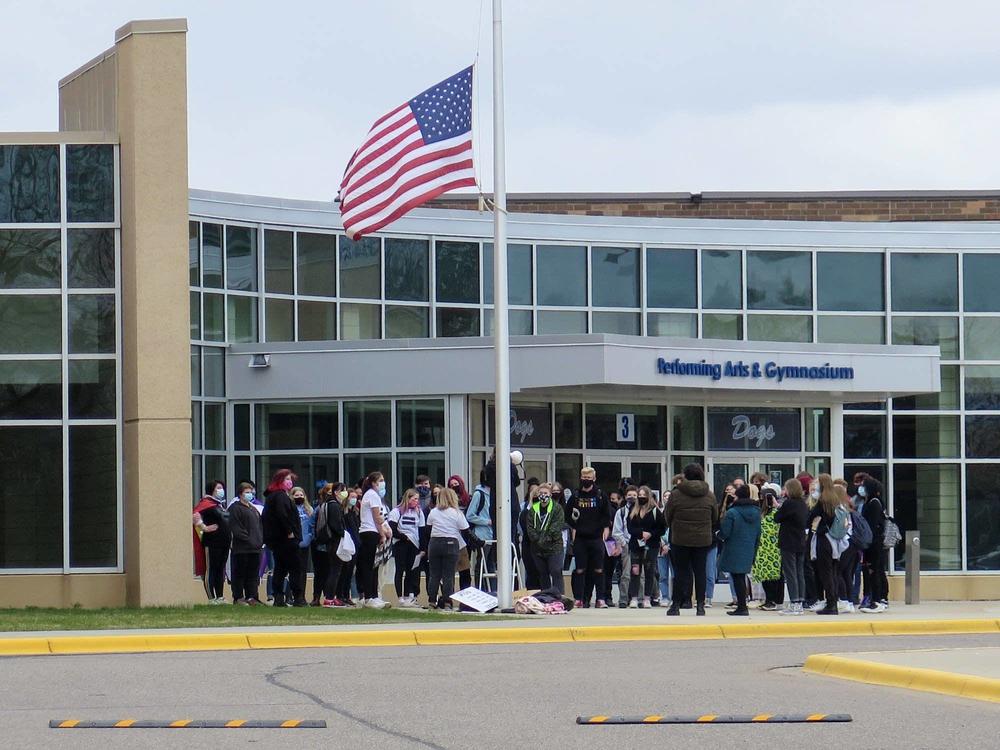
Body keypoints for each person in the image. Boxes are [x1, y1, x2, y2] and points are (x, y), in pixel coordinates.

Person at [664, 463, 718, 617]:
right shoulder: (709, 494)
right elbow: (714, 517)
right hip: (702, 540)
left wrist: (675, 526)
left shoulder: (676, 494)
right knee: (700, 571)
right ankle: (700, 606)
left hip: (680, 538)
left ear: (685, 476)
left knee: (680, 572)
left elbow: (668, 516)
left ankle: (675, 605)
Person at [567, 467, 610, 608]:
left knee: (599, 570)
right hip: (580, 538)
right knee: (580, 570)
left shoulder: (600, 495)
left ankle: (600, 599)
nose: (586, 480)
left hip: (597, 538)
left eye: (588, 477)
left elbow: (606, 516)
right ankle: (579, 599)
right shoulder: (575, 496)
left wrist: (604, 532)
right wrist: (574, 526)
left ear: (594, 478)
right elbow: (568, 516)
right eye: (584, 477)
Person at [262, 469, 304, 607]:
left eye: (290, 479)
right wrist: (289, 531)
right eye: (286, 479)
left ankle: (279, 597)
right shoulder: (280, 496)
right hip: (286, 539)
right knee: (294, 568)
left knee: (280, 568)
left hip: (278, 540)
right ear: (280, 481)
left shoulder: (273, 496)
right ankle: (298, 598)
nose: (290, 482)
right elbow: (282, 514)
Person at [718, 484, 762, 617]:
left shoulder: (733, 512)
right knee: (741, 577)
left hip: (733, 548)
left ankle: (742, 606)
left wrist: (717, 535)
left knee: (737, 578)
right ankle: (743, 605)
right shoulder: (756, 512)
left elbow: (725, 532)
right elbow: (759, 532)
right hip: (749, 547)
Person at [426, 487, 470, 610]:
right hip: (451, 542)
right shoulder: (456, 513)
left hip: (434, 542)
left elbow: (428, 528)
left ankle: (432, 601)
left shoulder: (433, 512)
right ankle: (447, 601)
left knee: (434, 574)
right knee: (448, 575)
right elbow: (465, 530)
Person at [626, 485, 666, 608]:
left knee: (649, 571)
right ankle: (634, 598)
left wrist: (651, 534)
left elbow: (662, 528)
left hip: (651, 545)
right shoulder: (633, 509)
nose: (642, 498)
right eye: (640, 495)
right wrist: (640, 533)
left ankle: (648, 598)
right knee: (635, 571)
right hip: (636, 545)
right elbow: (629, 527)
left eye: (644, 495)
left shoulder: (655, 510)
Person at [192, 480, 231, 604]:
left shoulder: (219, 505)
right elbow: (195, 514)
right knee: (211, 569)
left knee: (220, 569)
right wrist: (204, 527)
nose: (221, 490)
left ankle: (220, 596)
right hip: (212, 542)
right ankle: (211, 598)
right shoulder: (206, 503)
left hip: (224, 542)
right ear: (212, 490)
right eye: (218, 488)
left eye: (222, 488)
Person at [808, 474, 842, 616]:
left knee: (825, 573)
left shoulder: (822, 501)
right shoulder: (835, 500)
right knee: (832, 572)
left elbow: (810, 517)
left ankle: (831, 604)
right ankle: (833, 601)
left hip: (823, 539)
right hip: (834, 540)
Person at [357, 471, 392, 609]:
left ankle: (374, 596)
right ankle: (369, 597)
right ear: (373, 482)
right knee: (369, 566)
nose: (383, 482)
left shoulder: (372, 495)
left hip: (371, 532)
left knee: (374, 566)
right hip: (370, 532)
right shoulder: (372, 495)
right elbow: (377, 517)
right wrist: (382, 534)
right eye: (381, 480)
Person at [775, 478, 809, 615]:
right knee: (799, 572)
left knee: (790, 572)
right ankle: (800, 601)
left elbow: (777, 518)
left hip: (788, 541)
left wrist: (778, 506)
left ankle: (794, 602)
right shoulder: (803, 503)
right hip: (800, 541)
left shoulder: (789, 503)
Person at [387, 488, 425, 607]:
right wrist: (404, 537)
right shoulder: (397, 511)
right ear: (408, 498)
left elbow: (422, 530)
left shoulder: (419, 512)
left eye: (417, 499)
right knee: (400, 569)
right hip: (401, 543)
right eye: (414, 499)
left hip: (414, 544)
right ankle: (400, 597)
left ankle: (409, 594)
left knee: (411, 570)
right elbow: (392, 529)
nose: (416, 502)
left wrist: (422, 548)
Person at [525, 483, 566, 594]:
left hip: (554, 548)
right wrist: (537, 540)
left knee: (556, 571)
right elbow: (530, 528)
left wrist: (543, 539)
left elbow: (556, 528)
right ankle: (546, 597)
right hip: (537, 549)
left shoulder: (557, 509)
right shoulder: (533, 510)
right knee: (543, 574)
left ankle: (559, 596)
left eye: (546, 493)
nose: (543, 495)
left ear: (550, 495)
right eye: (541, 493)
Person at [228, 481, 263, 605]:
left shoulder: (253, 509)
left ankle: (251, 596)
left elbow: (259, 527)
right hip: (242, 548)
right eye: (246, 492)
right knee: (239, 574)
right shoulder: (235, 508)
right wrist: (249, 540)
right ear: (240, 494)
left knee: (252, 575)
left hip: (255, 548)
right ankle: (238, 597)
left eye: (251, 492)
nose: (250, 494)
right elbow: (236, 528)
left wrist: (259, 541)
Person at [312, 482, 347, 607]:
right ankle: (330, 597)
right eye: (343, 490)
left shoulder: (329, 504)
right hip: (335, 541)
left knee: (335, 570)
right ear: (336, 492)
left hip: (330, 542)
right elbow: (336, 525)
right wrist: (343, 533)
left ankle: (332, 596)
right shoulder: (334, 506)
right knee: (335, 571)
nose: (345, 493)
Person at [858, 476, 889, 613]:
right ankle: (874, 599)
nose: (861, 489)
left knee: (874, 571)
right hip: (872, 543)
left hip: (874, 543)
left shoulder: (874, 503)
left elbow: (872, 524)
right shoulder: (871, 502)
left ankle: (877, 600)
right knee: (872, 571)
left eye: (864, 486)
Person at [752, 485, 783, 611]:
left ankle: (775, 600)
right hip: (762, 548)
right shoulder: (760, 513)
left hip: (774, 548)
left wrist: (777, 506)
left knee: (775, 576)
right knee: (764, 575)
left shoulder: (777, 512)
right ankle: (769, 599)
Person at [466, 471, 495, 591]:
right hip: (482, 535)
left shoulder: (495, 493)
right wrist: (487, 521)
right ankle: (480, 590)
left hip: (494, 535)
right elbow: (469, 515)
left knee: (491, 565)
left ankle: (492, 591)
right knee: (481, 564)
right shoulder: (479, 494)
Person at [337, 487, 362, 606]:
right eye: (352, 497)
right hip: (347, 544)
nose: (354, 499)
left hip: (355, 545)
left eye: (355, 497)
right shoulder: (344, 512)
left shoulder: (355, 512)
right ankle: (341, 595)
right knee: (344, 571)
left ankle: (346, 595)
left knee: (350, 572)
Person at [611, 486, 635, 607]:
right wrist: (624, 543)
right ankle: (623, 599)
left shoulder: (642, 511)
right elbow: (616, 531)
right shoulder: (621, 512)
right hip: (626, 544)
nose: (632, 498)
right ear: (625, 497)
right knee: (626, 574)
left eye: (635, 495)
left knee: (640, 574)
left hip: (639, 545)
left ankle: (639, 599)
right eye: (630, 495)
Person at [290, 486, 314, 604]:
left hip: (305, 543)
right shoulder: (290, 508)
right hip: (293, 543)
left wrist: (309, 537)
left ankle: (302, 596)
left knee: (302, 571)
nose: (299, 497)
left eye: (301, 495)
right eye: (296, 495)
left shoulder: (309, 509)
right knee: (293, 571)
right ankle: (290, 595)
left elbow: (312, 526)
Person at [603, 489, 624, 606]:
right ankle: (605, 596)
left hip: (615, 544)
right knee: (605, 572)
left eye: (614, 499)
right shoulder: (608, 510)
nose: (612, 501)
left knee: (612, 572)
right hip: (604, 544)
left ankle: (611, 597)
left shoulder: (619, 512)